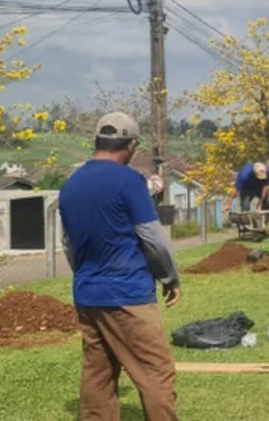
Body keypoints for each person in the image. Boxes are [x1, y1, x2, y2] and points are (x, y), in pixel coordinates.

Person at [59, 111, 182, 421]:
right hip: (129, 294)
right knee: (156, 372)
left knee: (97, 373)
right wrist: (170, 277)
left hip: (88, 294)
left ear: (95, 141)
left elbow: (68, 244)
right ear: (131, 146)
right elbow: (152, 237)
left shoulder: (71, 185)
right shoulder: (129, 180)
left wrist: (87, 275)